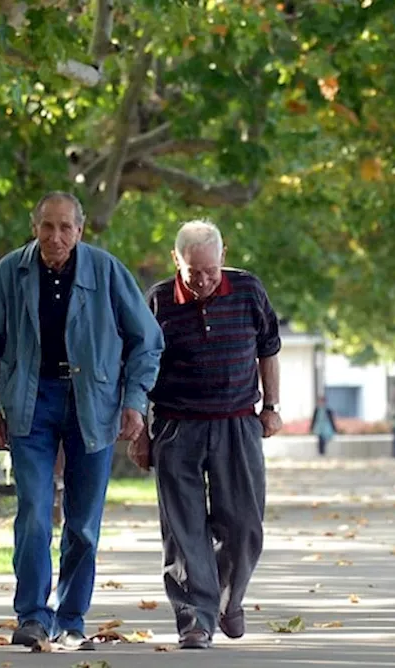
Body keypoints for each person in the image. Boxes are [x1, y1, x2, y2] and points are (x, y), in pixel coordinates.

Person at [0, 191, 163, 651]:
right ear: (35, 227)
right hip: (30, 403)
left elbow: (146, 341)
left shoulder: (106, 271)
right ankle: (32, 615)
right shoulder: (10, 273)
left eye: (65, 228)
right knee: (34, 510)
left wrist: (134, 400)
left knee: (83, 521)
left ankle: (71, 618)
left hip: (92, 403)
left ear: (80, 229)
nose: (56, 237)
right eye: (47, 227)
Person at [129, 219, 283, 650]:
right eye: (193, 272)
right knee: (183, 530)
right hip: (177, 426)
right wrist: (139, 431)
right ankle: (194, 619)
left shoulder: (249, 290)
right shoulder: (157, 301)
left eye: (210, 271)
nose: (202, 281)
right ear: (176, 260)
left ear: (224, 256)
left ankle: (226, 599)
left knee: (244, 525)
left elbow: (268, 349)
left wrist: (271, 407)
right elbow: (139, 369)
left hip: (237, 423)